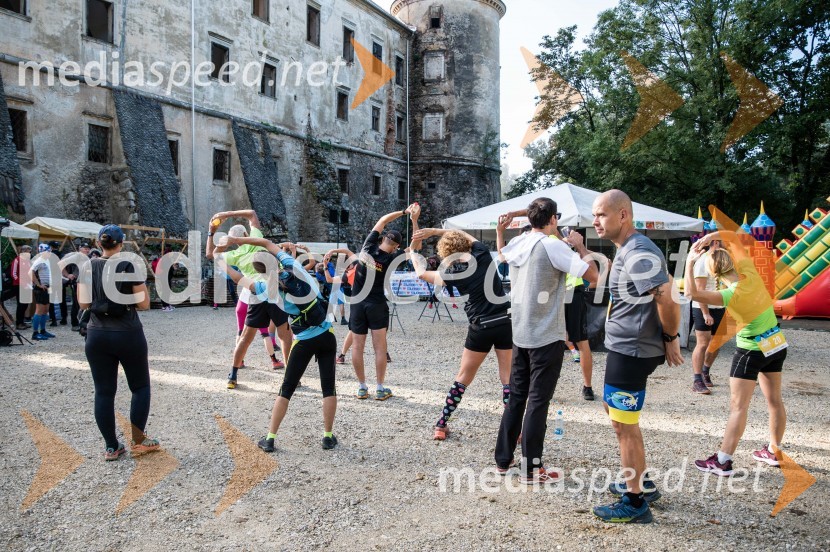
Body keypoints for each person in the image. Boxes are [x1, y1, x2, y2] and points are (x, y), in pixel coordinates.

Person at [592, 190, 683, 524]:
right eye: (594, 215)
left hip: (631, 350)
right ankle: (640, 480)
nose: (595, 221)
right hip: (625, 347)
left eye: (601, 215)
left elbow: (668, 298)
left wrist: (670, 338)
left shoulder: (638, 250)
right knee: (618, 414)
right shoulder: (629, 249)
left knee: (623, 425)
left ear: (623, 215)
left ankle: (635, 502)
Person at [493, 199, 598, 484]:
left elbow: (502, 254)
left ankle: (503, 459)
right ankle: (531, 467)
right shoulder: (554, 245)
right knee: (538, 401)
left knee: (517, 397)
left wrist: (503, 227)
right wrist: (579, 246)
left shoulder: (521, 242)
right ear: (553, 219)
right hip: (547, 334)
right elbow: (594, 277)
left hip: (522, 332)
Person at [217, 239, 339, 452]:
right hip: (327, 335)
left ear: (260, 272)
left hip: (303, 341)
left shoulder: (266, 287)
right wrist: (239, 240)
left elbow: (237, 277)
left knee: (286, 390)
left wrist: (220, 260)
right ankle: (328, 437)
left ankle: (270, 438)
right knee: (328, 387)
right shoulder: (294, 267)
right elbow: (266, 242)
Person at [686, 233, 788, 475]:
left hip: (751, 350)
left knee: (739, 407)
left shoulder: (729, 294)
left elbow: (692, 294)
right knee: (774, 401)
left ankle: (723, 460)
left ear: (714, 274)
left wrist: (690, 262)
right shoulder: (751, 274)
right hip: (776, 343)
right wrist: (712, 236)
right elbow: (734, 237)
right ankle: (774, 451)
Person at [410, 227, 514, 441]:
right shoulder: (483, 253)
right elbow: (464, 235)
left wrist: (412, 251)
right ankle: (515, 429)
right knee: (508, 380)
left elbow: (421, 273)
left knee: (463, 378)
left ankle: (441, 424)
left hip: (480, 325)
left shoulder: (453, 273)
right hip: (504, 321)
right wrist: (437, 231)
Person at [76, 224, 160, 461]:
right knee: (140, 387)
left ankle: (112, 446)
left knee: (103, 392)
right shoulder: (127, 265)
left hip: (96, 334)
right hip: (127, 333)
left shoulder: (88, 266)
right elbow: (144, 304)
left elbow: (83, 304)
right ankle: (138, 440)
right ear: (121, 243)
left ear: (98, 244)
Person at [327, 204, 418, 400]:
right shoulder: (393, 258)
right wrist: (414, 220)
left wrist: (404, 211)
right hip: (376, 304)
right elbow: (416, 247)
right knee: (380, 348)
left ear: (384, 238)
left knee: (357, 347)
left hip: (358, 304)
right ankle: (379, 387)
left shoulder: (368, 246)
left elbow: (383, 220)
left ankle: (361, 387)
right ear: (396, 246)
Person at [206, 210, 291, 387]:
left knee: (245, 337)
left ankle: (233, 375)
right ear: (245, 234)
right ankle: (290, 375)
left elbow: (210, 255)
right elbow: (252, 214)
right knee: (284, 334)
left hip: (256, 292)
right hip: (274, 289)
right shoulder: (255, 237)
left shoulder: (235, 255)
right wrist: (227, 214)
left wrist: (213, 233)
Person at [690, 239, 725, 394]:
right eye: (726, 242)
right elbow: (699, 290)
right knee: (703, 343)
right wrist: (705, 313)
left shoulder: (724, 259)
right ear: (715, 243)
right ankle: (697, 380)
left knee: (716, 343)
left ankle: (705, 371)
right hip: (702, 306)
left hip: (720, 306)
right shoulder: (703, 261)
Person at [29, 243, 56, 341]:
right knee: (39, 311)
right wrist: (38, 284)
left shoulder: (46, 260)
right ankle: (35, 333)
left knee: (45, 310)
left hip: (47, 288)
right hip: (41, 289)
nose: (50, 253)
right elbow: (30, 272)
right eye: (48, 251)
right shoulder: (39, 261)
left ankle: (43, 330)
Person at [10, 245, 32, 330]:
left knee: (25, 305)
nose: (29, 253)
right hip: (19, 285)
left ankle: (22, 321)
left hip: (27, 285)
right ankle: (19, 323)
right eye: (28, 251)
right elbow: (14, 274)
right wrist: (22, 283)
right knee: (21, 304)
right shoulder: (17, 259)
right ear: (24, 251)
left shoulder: (27, 261)